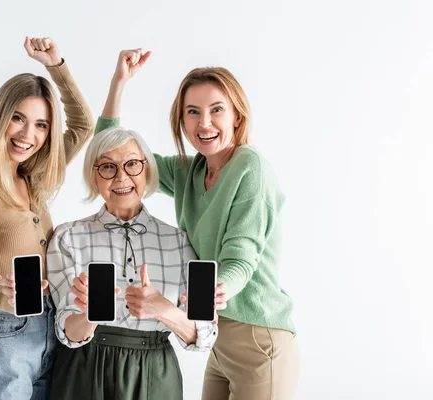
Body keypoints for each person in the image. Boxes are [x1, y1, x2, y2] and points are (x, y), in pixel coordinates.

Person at [95, 49, 299, 400]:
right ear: (182, 121)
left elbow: (241, 258)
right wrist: (119, 83)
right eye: (193, 112)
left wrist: (219, 288)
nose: (204, 123)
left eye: (216, 110)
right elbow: (111, 152)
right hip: (215, 338)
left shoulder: (252, 169)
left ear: (236, 116)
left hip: (258, 336)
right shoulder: (189, 172)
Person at [0, 36, 94, 399]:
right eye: (18, 118)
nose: (29, 134)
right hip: (4, 330)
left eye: (42, 125)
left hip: (49, 327)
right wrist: (9, 299)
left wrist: (55, 66)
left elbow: (82, 125)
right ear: (1, 116)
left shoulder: (33, 180)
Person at [45, 127, 224, 400]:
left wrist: (165, 310)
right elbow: (67, 331)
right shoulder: (68, 238)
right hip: (83, 369)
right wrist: (90, 314)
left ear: (147, 171)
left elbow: (205, 336)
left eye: (132, 164)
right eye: (107, 166)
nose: (121, 177)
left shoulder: (179, 242)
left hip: (155, 374)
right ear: (94, 176)